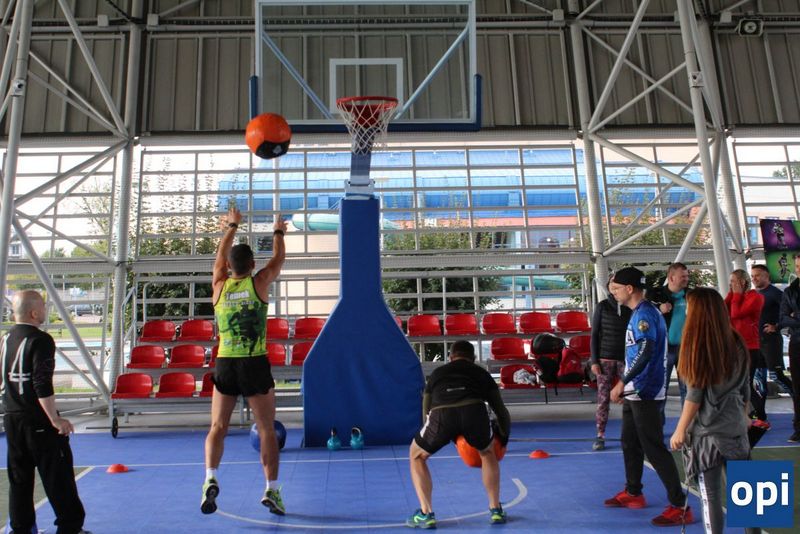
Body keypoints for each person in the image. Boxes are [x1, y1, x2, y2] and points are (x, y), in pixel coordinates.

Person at [202, 206, 288, 515]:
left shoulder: (219, 286)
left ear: (228, 266)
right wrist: (278, 232)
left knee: (217, 426)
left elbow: (218, 258)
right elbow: (278, 259)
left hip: (225, 362)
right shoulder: (258, 282)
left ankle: (210, 477)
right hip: (254, 362)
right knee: (266, 429)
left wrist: (231, 226)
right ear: (252, 265)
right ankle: (271, 490)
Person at [607, 267, 693, 527]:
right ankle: (633, 491)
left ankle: (680, 505)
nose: (613, 293)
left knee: (653, 447)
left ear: (629, 289)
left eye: (616, 289)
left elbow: (645, 351)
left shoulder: (645, 314)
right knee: (629, 442)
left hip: (645, 390)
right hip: (636, 390)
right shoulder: (639, 312)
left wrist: (623, 381)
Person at [670, 288, 760, 534]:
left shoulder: (696, 344)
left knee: (710, 495)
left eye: (689, 307)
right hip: (735, 425)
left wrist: (680, 429)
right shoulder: (737, 340)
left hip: (707, 431)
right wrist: (744, 414)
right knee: (749, 492)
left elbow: (695, 394)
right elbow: (745, 385)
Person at [1, 290, 90, 534]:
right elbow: (41, 383)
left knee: (19, 478)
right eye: (42, 306)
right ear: (33, 312)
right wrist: (54, 419)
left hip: (12, 418)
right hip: (37, 420)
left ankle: (21, 528)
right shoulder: (41, 340)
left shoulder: (6, 339)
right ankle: (70, 527)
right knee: (57, 476)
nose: (45, 310)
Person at [407, 340, 511, 528]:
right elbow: (501, 411)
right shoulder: (481, 373)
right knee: (487, 453)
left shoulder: (438, 373)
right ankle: (495, 510)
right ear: (473, 358)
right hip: (474, 411)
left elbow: (426, 409)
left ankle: (426, 514)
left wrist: (433, 433)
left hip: (442, 415)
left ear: (450, 357)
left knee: (416, 456)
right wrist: (503, 438)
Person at [589, 281, 632, 451]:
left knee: (631, 397)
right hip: (604, 360)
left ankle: (632, 433)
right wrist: (594, 361)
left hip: (625, 360)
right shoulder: (602, 306)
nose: (615, 289)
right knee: (603, 399)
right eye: (612, 286)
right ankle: (600, 435)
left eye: (618, 285)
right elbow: (594, 334)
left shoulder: (629, 306)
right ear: (609, 288)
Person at [647, 262, 690, 414]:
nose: (686, 279)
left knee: (688, 388)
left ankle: (688, 423)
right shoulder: (656, 295)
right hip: (665, 348)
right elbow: (644, 316)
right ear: (671, 278)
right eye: (683, 276)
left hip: (686, 348)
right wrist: (659, 309)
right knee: (661, 387)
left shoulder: (691, 295)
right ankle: (657, 422)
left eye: (687, 276)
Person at [725, 269, 766, 423]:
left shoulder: (755, 297)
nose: (731, 284)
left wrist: (736, 294)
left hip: (750, 346)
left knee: (746, 382)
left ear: (742, 282)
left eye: (733, 281)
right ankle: (746, 414)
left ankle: (759, 415)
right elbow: (723, 308)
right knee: (737, 382)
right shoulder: (735, 296)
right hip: (735, 345)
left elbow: (736, 313)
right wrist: (732, 293)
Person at [751, 265, 793, 395]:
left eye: (757, 275)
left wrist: (777, 326)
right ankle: (760, 408)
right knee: (759, 379)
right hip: (757, 342)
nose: (754, 279)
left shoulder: (775, 293)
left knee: (777, 376)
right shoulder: (754, 294)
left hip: (771, 342)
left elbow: (791, 313)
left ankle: (797, 400)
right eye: (752, 276)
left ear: (766, 276)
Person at [779, 254, 800, 443]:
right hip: (797, 343)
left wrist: (796, 315)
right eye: (798, 266)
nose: (799, 270)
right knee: (798, 387)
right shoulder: (789, 291)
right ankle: (798, 428)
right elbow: (783, 318)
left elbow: (790, 317)